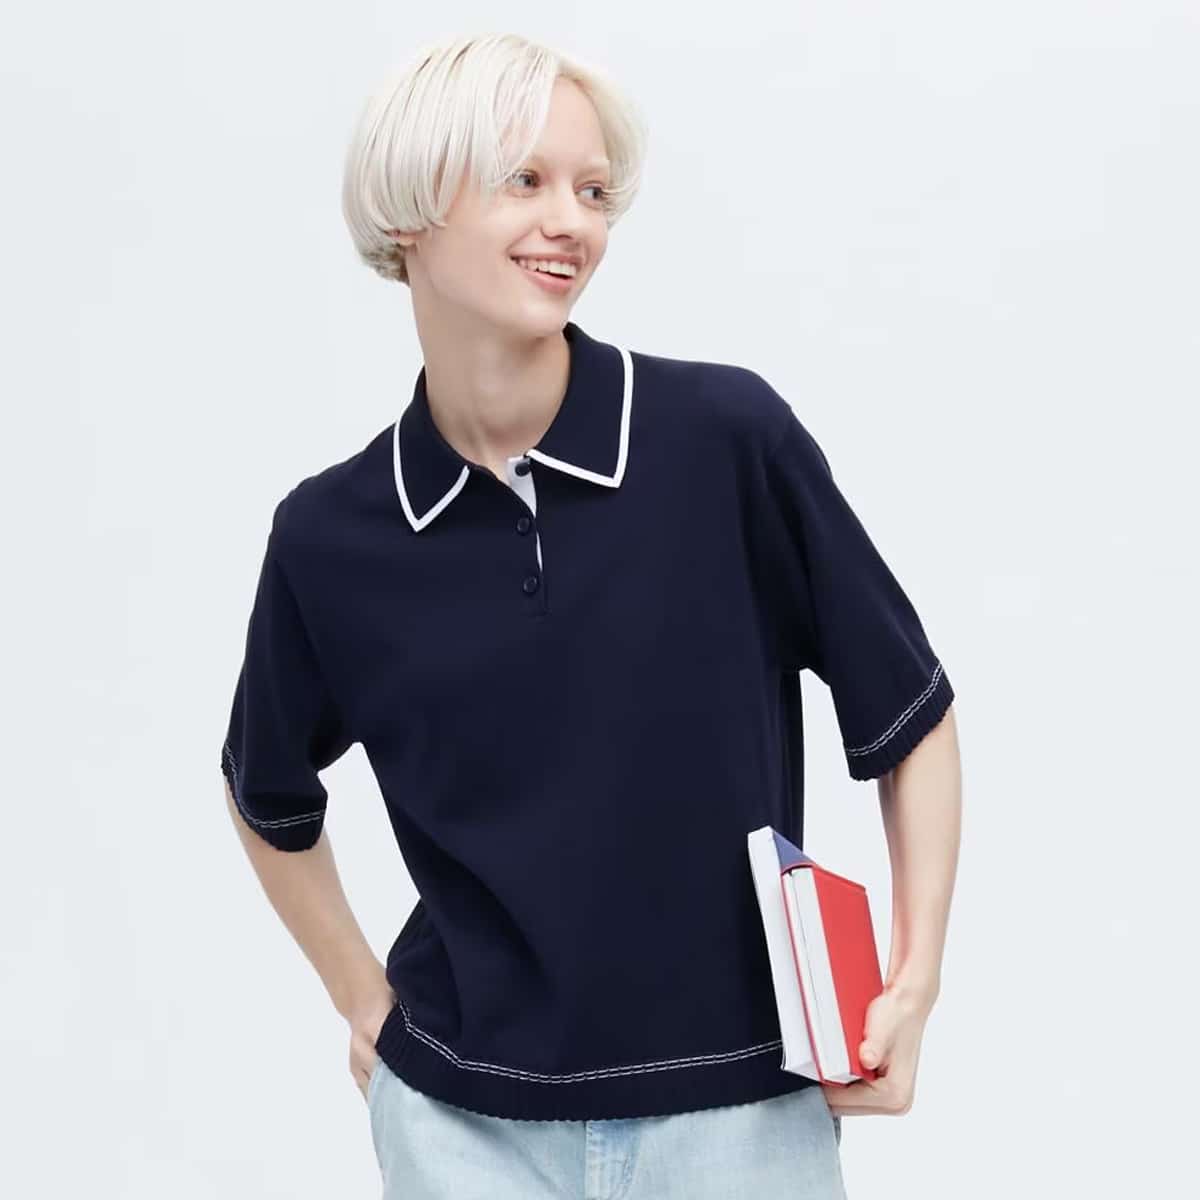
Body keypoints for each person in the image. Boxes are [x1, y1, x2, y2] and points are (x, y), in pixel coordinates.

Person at [220, 30, 962, 1200]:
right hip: (462, 1129)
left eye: (594, 190)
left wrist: (913, 983)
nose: (571, 221)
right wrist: (362, 998)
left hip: (740, 1117)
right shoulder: (330, 535)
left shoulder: (726, 444)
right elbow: (266, 793)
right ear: (410, 208)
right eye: (525, 180)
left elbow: (908, 716)